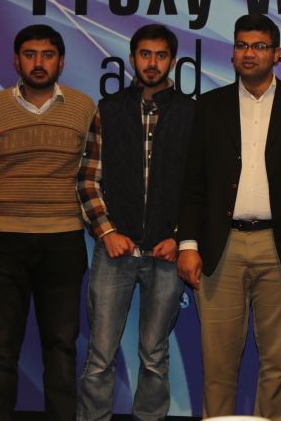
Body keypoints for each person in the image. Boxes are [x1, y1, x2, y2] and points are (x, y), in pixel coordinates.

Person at [176, 14, 281, 421]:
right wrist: (188, 243)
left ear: (276, 54)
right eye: (242, 45)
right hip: (220, 248)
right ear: (233, 53)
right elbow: (192, 182)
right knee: (217, 366)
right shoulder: (208, 107)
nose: (249, 53)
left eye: (259, 46)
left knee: (278, 363)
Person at [0, 24, 97, 421]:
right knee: (0, 349)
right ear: (16, 61)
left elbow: (92, 171)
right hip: (3, 242)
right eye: (30, 55)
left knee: (61, 346)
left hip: (62, 240)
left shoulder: (83, 108)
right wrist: (11, 205)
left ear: (61, 62)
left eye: (47, 55)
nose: (38, 63)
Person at [76, 24, 195, 421]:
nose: (152, 63)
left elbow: (200, 187)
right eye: (145, 54)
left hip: (166, 254)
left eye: (161, 55)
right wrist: (106, 232)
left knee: (155, 355)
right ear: (132, 59)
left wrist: (179, 237)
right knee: (100, 355)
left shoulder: (191, 113)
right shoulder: (109, 110)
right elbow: (88, 180)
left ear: (172, 61)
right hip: (116, 252)